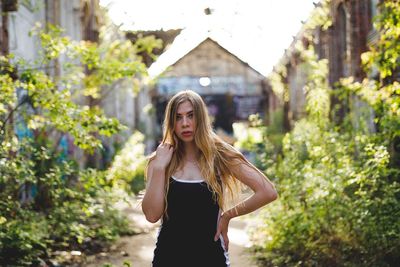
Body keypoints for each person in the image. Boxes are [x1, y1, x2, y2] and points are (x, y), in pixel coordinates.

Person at [142, 90, 278, 267]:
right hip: (168, 258)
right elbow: (152, 215)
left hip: (211, 258)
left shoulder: (220, 155)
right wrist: (160, 167)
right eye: (178, 117)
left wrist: (227, 216)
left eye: (191, 116)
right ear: (171, 123)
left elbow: (267, 192)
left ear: (201, 118)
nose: (185, 123)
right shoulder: (160, 160)